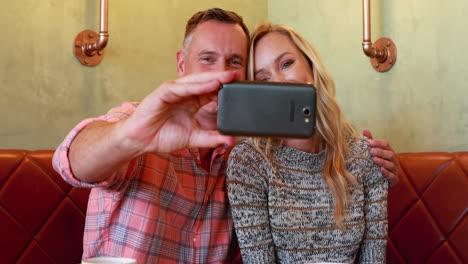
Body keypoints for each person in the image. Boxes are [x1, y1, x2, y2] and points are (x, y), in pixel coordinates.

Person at [53, 8, 397, 263]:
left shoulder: (243, 151)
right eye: (207, 58)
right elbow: (71, 162)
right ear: (181, 64)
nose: (220, 73)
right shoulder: (141, 121)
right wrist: (131, 136)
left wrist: (375, 163)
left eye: (234, 61)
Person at [226, 23, 388, 264]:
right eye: (264, 78)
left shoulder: (364, 155)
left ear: (310, 66)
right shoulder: (249, 162)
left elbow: (374, 258)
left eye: (287, 64)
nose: (280, 82)